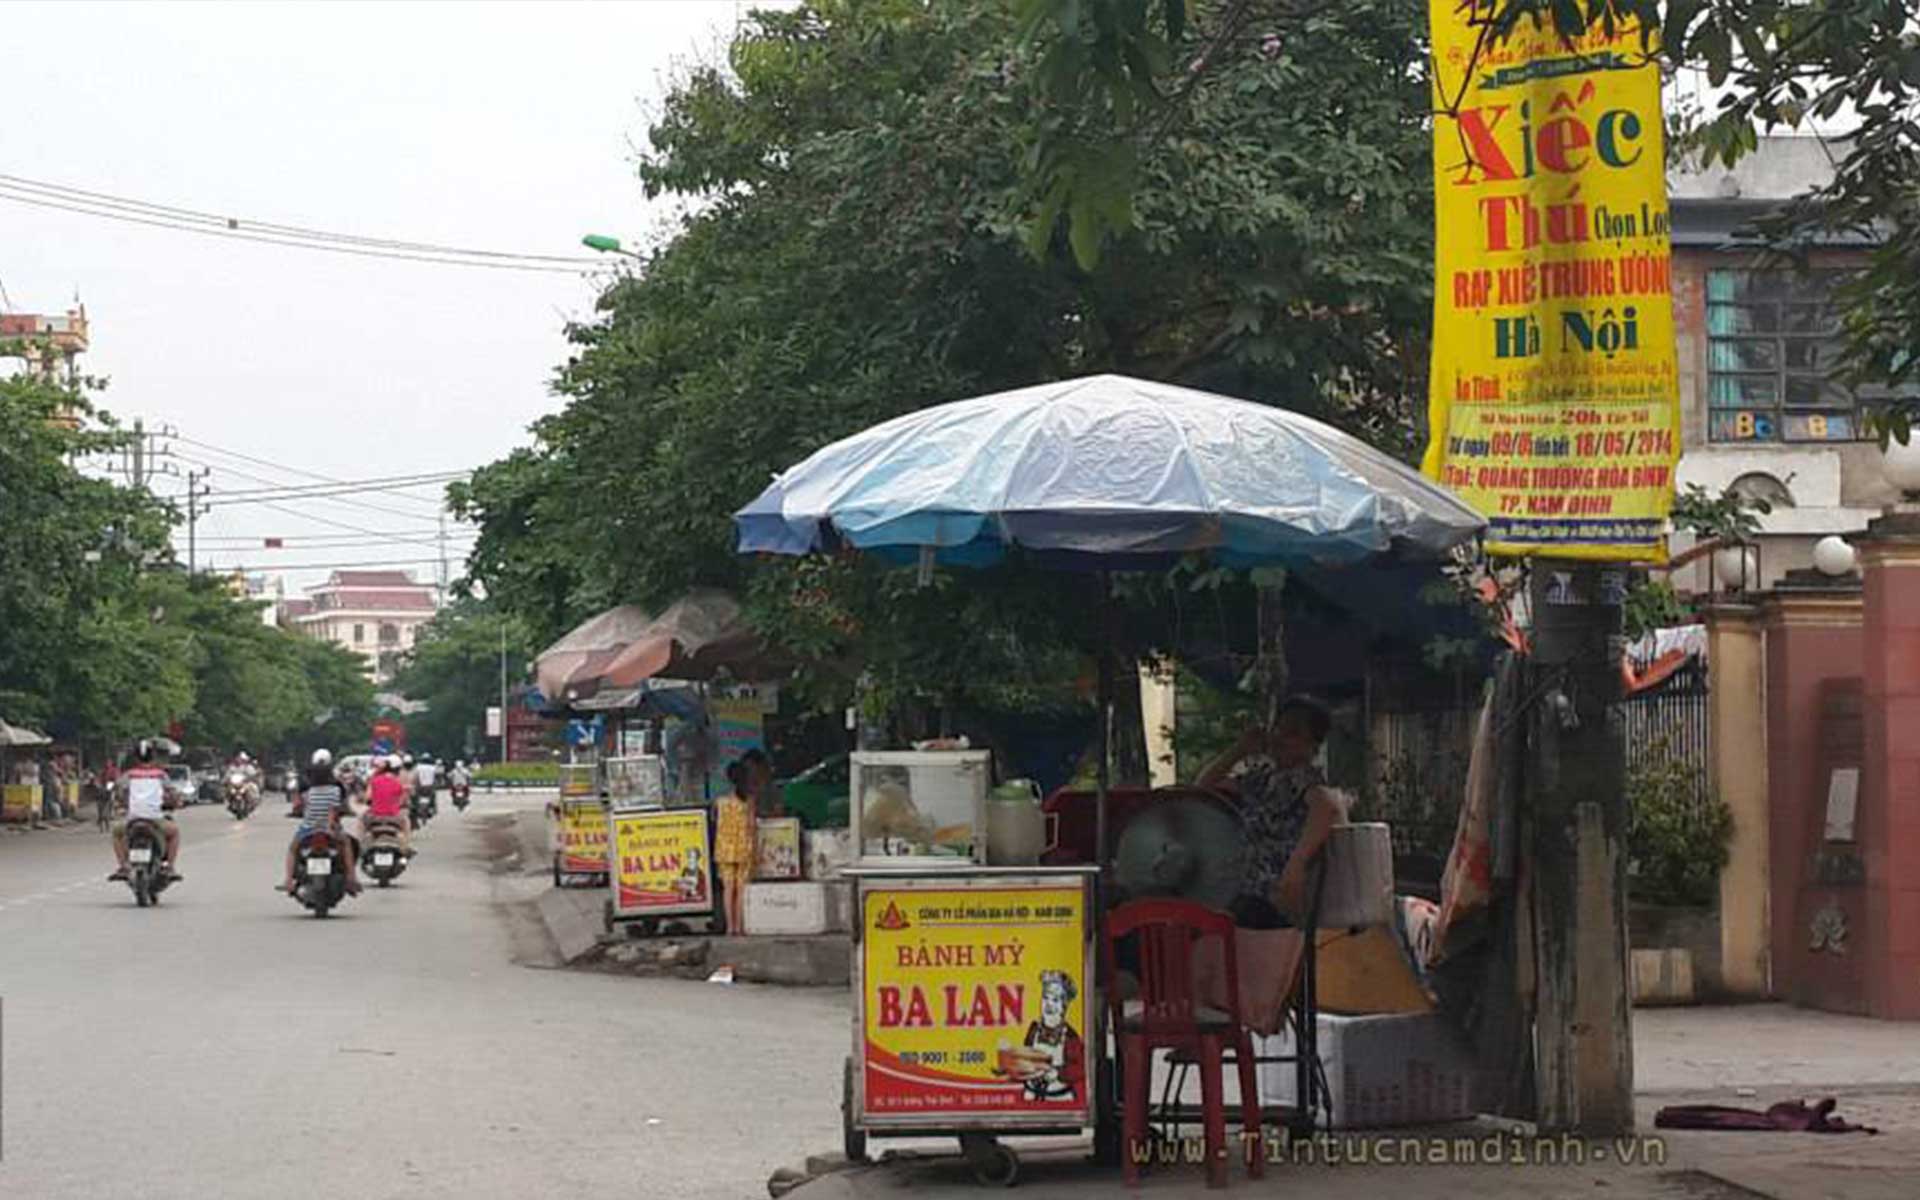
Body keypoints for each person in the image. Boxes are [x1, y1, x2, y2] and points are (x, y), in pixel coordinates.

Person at [1196, 696, 1346, 929]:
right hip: (1237, 888)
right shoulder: (1261, 779)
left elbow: (1328, 807)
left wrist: (1295, 867)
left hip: (1271, 899)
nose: (1280, 738)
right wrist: (1239, 750)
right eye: (1278, 728)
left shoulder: (1305, 780)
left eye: (1292, 732)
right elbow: (1201, 789)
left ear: (1312, 746)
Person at [280, 749, 361, 895]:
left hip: (308, 829)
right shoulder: (335, 791)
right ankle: (351, 878)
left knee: (292, 849)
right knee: (347, 845)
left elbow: (298, 806)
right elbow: (333, 810)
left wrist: (297, 809)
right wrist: (330, 826)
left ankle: (288, 880)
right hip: (329, 829)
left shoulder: (308, 792)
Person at [109, 741, 182, 880]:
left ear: (136, 758)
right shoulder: (161, 775)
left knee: (116, 833)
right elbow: (172, 793)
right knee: (174, 833)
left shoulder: (129, 775)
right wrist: (176, 801)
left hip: (133, 819)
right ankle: (170, 867)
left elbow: (119, 792)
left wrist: (122, 803)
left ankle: (124, 866)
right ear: (153, 756)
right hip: (155, 819)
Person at [714, 759, 757, 933]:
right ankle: (739, 926)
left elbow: (716, 822)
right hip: (743, 847)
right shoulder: (749, 801)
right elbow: (752, 826)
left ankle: (729, 927)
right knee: (740, 889)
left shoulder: (720, 801)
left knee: (728, 889)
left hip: (724, 848)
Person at [362, 754, 412, 853]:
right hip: (393, 818)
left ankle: (362, 845)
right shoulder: (398, 783)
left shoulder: (374, 781)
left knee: (362, 823)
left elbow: (367, 797)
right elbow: (402, 801)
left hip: (374, 817)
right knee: (406, 822)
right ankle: (405, 848)